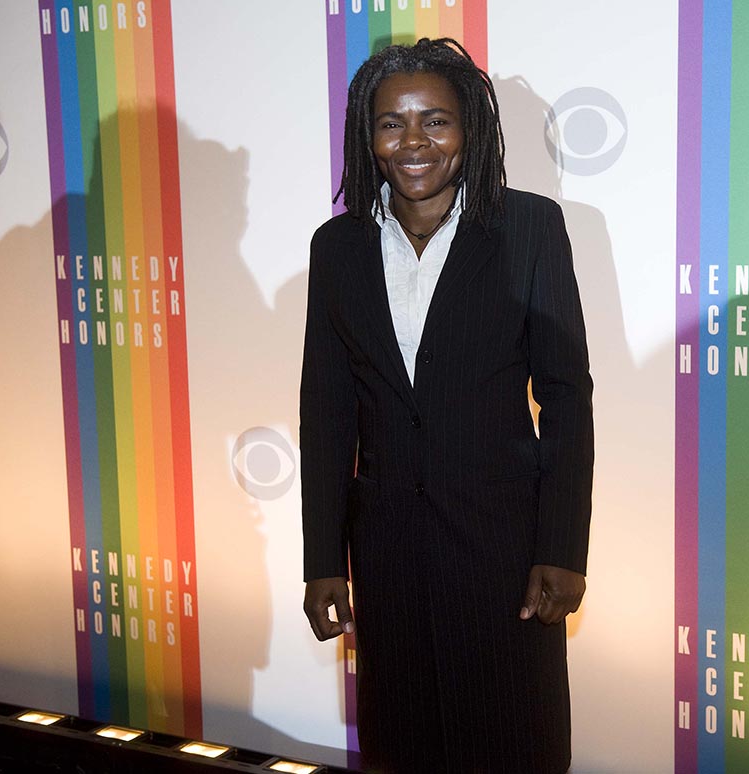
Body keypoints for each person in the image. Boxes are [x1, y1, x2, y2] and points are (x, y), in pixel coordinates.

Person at [300, 38, 593, 774]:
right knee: (401, 749)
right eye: (392, 123)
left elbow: (565, 397)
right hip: (388, 556)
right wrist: (322, 558)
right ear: (366, 137)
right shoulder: (337, 248)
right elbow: (327, 410)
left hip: (504, 555)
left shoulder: (529, 229)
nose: (414, 143)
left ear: (472, 130)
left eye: (436, 120)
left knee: (513, 744)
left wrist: (561, 548)